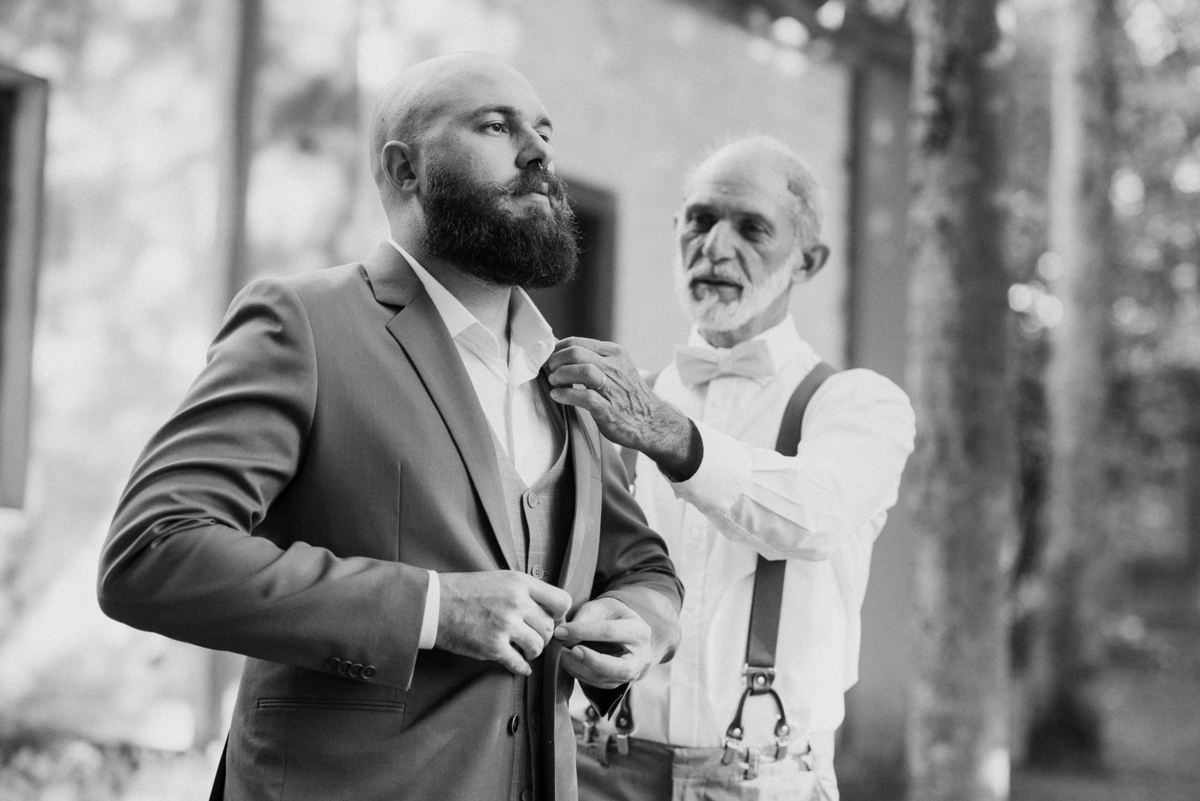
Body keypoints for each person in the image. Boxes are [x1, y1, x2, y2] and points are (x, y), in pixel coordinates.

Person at [98, 52, 682, 801]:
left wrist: (640, 623)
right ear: (407, 170)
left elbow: (644, 567)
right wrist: (434, 609)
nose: (537, 153)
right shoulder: (305, 323)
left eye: (543, 132)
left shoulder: (566, 374)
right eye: (495, 126)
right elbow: (153, 550)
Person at [547, 136, 915, 800]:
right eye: (700, 220)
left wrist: (670, 437)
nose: (716, 247)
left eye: (752, 228)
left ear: (808, 260)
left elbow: (814, 512)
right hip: (602, 764)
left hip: (768, 780)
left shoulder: (858, 403)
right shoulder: (624, 402)